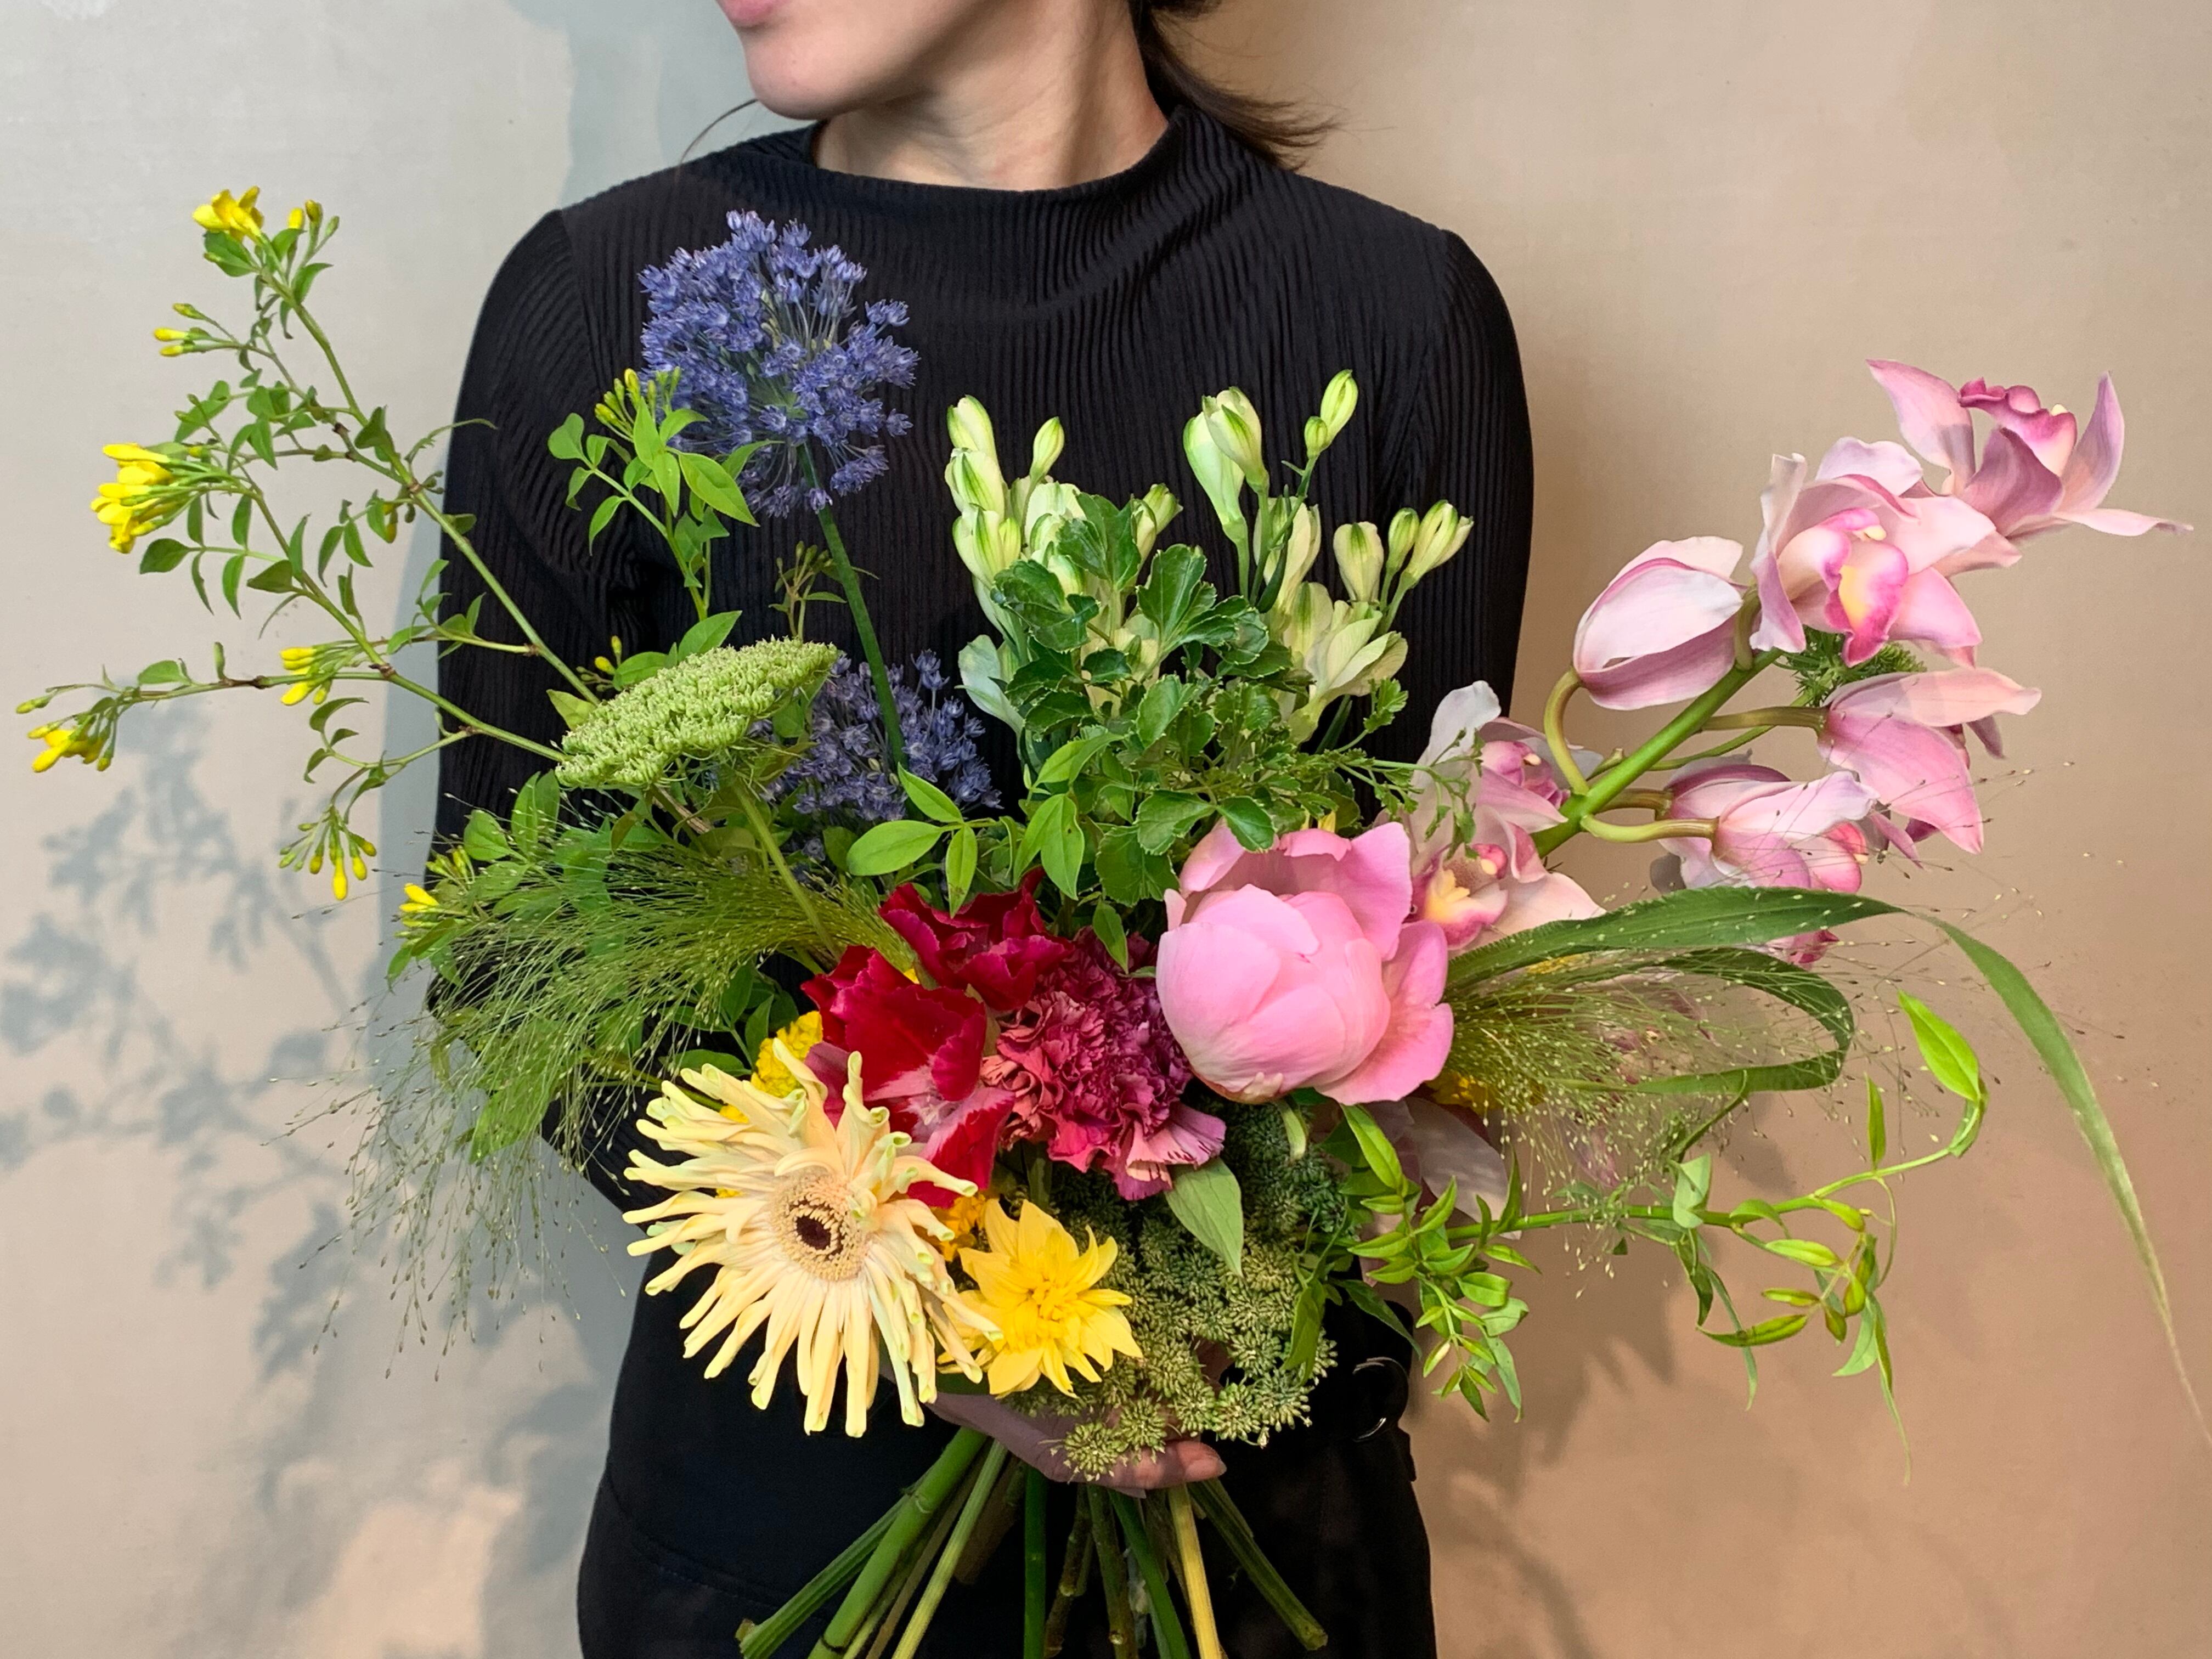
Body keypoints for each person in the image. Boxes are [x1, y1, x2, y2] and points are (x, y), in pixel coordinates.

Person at [436, 2, 1533, 1653]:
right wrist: (927, 1300)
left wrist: (1194, 1276)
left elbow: (1431, 947)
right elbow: (507, 954)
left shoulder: (1392, 317)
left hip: (1249, 1538)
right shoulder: (616, 304)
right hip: (785, 1544)